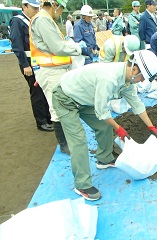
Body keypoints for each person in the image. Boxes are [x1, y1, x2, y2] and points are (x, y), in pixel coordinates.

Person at [52, 50, 157, 201]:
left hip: (85, 99)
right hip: (65, 98)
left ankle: (104, 159)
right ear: (135, 69)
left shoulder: (127, 81)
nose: (142, 82)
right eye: (143, 78)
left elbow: (137, 104)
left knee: (104, 127)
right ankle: (82, 184)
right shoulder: (110, 78)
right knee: (78, 140)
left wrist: (151, 127)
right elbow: (102, 112)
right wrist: (119, 129)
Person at [29, 0, 92, 154]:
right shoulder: (42, 20)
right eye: (61, 9)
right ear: (55, 5)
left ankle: (67, 140)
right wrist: (77, 48)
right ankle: (64, 144)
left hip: (54, 70)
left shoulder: (46, 20)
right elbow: (57, 47)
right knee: (56, 106)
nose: (60, 13)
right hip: (51, 72)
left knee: (61, 104)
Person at [10, 0, 53, 132]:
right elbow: (17, 45)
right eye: (33, 8)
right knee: (37, 92)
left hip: (38, 61)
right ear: (24, 6)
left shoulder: (34, 20)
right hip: (29, 62)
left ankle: (47, 116)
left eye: (37, 7)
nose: (36, 10)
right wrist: (24, 65)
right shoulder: (17, 21)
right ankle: (41, 122)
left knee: (44, 88)